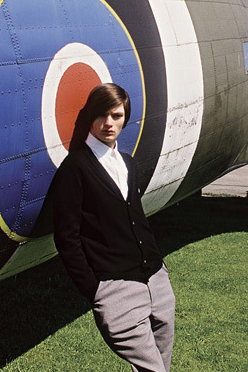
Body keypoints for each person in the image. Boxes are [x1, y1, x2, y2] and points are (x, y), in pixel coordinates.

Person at [50, 83, 175, 372]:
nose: (109, 123)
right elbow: (66, 237)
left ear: (125, 119)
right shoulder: (75, 168)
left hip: (156, 280)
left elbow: (136, 220)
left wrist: (159, 266)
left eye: (116, 116)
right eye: (102, 115)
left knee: (162, 365)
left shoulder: (128, 164)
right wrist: (95, 289)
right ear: (90, 117)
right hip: (116, 290)